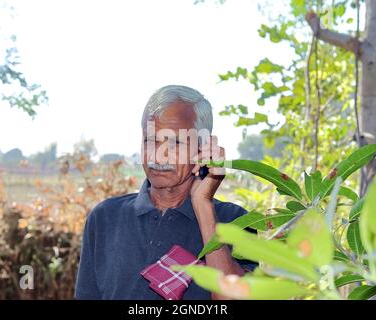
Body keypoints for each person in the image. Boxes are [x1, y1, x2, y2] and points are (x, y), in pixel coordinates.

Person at [74, 85, 256, 300]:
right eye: (150, 140)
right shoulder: (105, 217)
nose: (158, 156)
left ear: (203, 148)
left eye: (175, 142)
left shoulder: (237, 221)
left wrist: (203, 205)